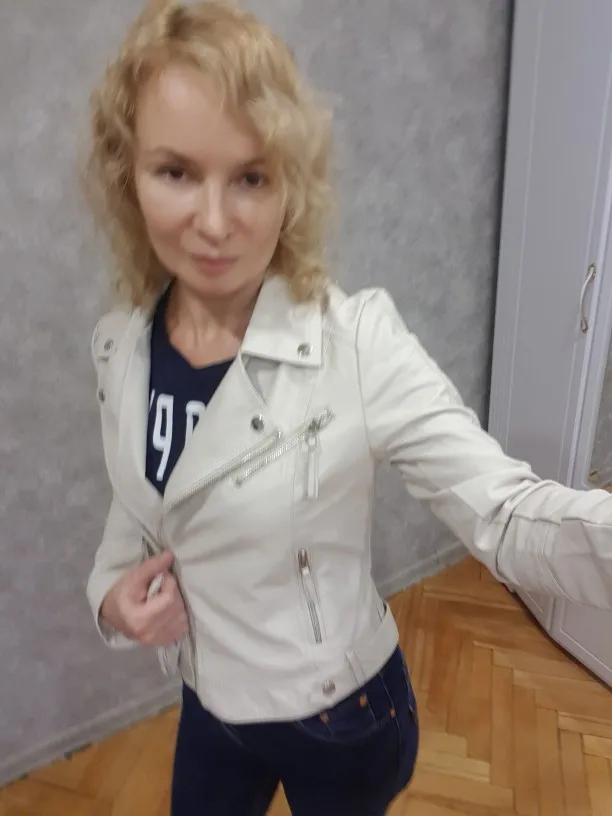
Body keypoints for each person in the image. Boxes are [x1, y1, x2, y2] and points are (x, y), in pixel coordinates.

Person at [83, 2, 612, 814]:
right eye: (177, 172)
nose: (214, 223)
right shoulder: (121, 345)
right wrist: (111, 596)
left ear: (290, 185)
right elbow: (142, 507)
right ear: (130, 176)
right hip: (208, 701)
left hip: (338, 715)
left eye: (251, 176)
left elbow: (507, 515)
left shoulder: (357, 342)